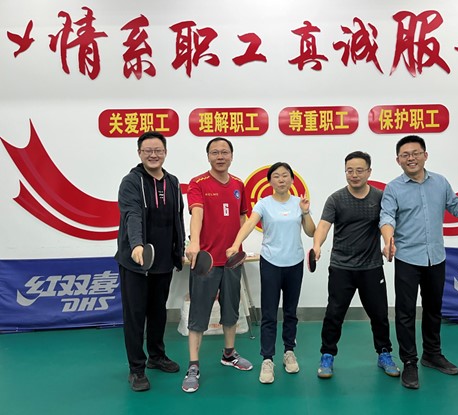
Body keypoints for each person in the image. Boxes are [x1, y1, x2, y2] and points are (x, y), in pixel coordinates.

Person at [379, 135, 458, 390]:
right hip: (407, 258)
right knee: (405, 313)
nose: (411, 158)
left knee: (434, 308)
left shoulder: (440, 183)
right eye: (405, 155)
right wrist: (388, 240)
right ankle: (409, 361)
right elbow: (386, 217)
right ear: (398, 160)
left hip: (436, 257)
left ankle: (432, 354)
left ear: (425, 155)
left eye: (415, 153)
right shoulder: (393, 188)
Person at [312, 151, 400, 380]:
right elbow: (323, 226)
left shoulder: (380, 197)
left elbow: (386, 224)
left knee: (379, 314)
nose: (354, 175)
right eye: (349, 170)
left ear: (369, 172)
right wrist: (317, 245)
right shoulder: (336, 199)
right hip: (341, 267)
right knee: (334, 314)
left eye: (359, 170)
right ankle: (327, 355)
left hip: (371, 267)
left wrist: (387, 243)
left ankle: (384, 353)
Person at [227, 162, 316, 384]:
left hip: (294, 263)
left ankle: (289, 352)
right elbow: (249, 224)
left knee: (290, 312)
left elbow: (311, 231)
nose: (281, 179)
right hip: (271, 263)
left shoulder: (299, 203)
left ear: (292, 180)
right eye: (276, 176)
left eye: (285, 175)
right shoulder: (264, 204)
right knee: (269, 314)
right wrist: (235, 244)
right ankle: (267, 359)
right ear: (269, 181)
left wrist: (305, 212)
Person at [115, 131, 186, 392]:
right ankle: (136, 368)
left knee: (158, 312)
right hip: (136, 262)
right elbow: (132, 214)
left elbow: (178, 218)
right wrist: (136, 245)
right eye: (148, 151)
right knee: (135, 316)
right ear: (139, 153)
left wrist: (180, 249)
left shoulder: (173, 182)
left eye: (158, 150)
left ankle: (157, 356)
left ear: (165, 152)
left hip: (163, 261)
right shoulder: (131, 182)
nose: (153, 155)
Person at [183, 137, 253, 393]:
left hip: (232, 261)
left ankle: (229, 353)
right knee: (199, 314)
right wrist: (195, 244)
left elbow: (244, 217)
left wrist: (240, 245)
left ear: (231, 156)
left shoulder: (238, 184)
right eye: (215, 152)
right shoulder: (198, 183)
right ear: (208, 156)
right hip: (207, 261)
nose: (220, 156)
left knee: (231, 310)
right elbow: (197, 214)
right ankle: (193, 365)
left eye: (224, 152)